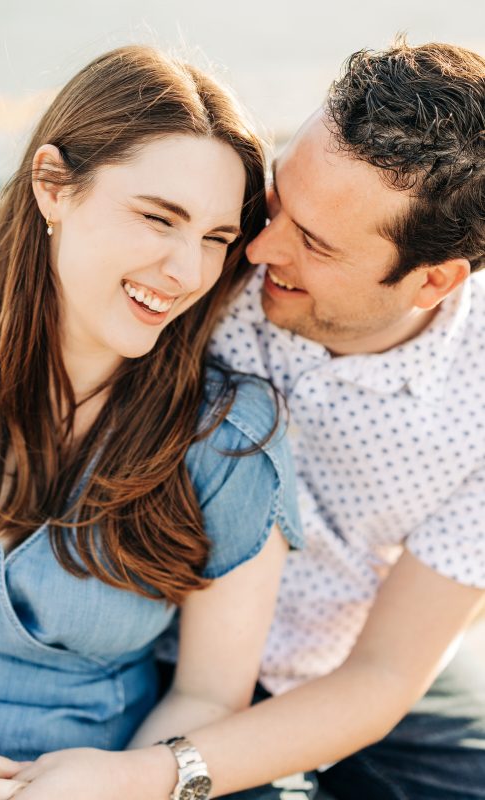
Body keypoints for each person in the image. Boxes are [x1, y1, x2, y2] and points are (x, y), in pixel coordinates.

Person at [86, 40, 484, 800]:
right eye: (279, 201)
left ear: (432, 280)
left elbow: (386, 673)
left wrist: (158, 777)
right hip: (162, 652)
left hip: (353, 661)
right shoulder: (202, 248)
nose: (258, 247)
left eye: (315, 242)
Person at [0, 45, 303, 800]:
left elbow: (208, 697)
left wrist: (116, 787)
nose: (186, 271)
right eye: (157, 218)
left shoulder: (231, 436)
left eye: (215, 239)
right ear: (53, 186)